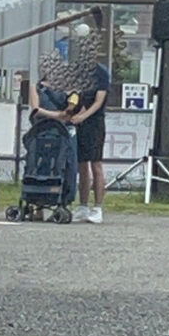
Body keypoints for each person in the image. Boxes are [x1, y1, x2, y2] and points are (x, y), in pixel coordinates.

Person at [27, 52, 79, 208]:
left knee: (65, 165)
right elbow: (36, 109)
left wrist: (66, 114)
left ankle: (64, 201)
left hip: (64, 132)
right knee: (39, 165)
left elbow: (72, 110)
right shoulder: (35, 87)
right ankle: (36, 203)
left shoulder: (69, 90)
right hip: (41, 131)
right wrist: (58, 115)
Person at [71, 33, 110, 225]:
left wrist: (84, 115)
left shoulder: (101, 72)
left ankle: (98, 207)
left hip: (95, 123)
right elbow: (73, 94)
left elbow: (99, 100)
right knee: (81, 165)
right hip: (78, 122)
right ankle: (83, 205)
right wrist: (73, 112)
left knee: (96, 164)